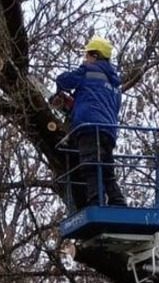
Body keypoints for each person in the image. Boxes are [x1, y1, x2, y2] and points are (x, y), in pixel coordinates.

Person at [56, 36, 126, 207]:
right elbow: (109, 106)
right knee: (107, 168)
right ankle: (117, 201)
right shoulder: (115, 85)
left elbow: (63, 80)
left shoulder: (88, 71)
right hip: (109, 130)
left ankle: (96, 200)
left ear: (94, 56)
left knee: (90, 165)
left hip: (88, 127)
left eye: (87, 55)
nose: (85, 59)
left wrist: (64, 97)